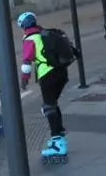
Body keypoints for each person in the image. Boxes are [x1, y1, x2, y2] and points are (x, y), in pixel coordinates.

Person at [18, 11, 73, 163]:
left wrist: (24, 79)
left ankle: (58, 143)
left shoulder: (30, 38)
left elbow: (27, 61)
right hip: (61, 72)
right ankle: (59, 135)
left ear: (23, 26)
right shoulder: (44, 33)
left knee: (48, 107)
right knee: (52, 104)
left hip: (48, 75)